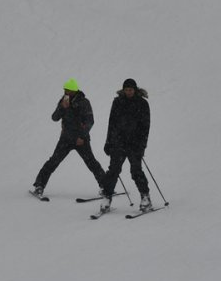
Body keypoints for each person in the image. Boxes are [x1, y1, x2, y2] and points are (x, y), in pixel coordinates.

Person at [32, 78, 106, 197]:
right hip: (66, 139)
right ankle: (39, 185)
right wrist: (62, 107)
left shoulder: (84, 102)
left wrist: (82, 136)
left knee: (91, 162)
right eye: (65, 90)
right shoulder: (63, 101)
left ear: (74, 91)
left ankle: (105, 186)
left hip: (81, 140)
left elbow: (90, 121)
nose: (66, 93)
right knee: (53, 161)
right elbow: (54, 118)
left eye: (68, 91)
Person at [99, 79, 151, 213]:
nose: (128, 92)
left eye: (131, 89)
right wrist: (108, 142)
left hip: (134, 144)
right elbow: (111, 123)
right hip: (118, 143)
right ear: (123, 90)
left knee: (136, 171)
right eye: (126, 89)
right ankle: (107, 197)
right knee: (113, 171)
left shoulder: (142, 104)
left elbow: (145, 127)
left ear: (135, 89)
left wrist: (142, 145)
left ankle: (145, 197)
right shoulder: (117, 102)